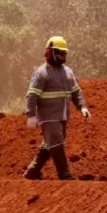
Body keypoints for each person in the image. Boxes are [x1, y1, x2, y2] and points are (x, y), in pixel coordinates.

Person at [23, 36, 90, 180]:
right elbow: (32, 95)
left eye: (65, 53)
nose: (63, 56)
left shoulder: (68, 72)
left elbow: (76, 92)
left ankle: (33, 170)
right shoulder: (41, 73)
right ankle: (64, 174)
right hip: (48, 116)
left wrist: (82, 106)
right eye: (60, 52)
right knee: (56, 140)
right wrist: (31, 115)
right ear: (50, 52)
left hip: (62, 115)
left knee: (50, 143)